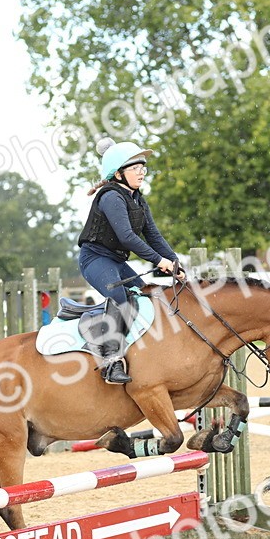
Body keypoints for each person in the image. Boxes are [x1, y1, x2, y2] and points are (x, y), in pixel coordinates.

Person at [77, 137, 184, 384]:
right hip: (95, 260)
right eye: (135, 168)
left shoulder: (138, 199)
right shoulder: (110, 197)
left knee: (147, 294)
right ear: (118, 174)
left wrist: (175, 263)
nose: (141, 173)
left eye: (143, 168)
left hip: (115, 261)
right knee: (120, 297)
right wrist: (160, 262)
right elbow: (126, 237)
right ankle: (111, 362)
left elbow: (153, 236)